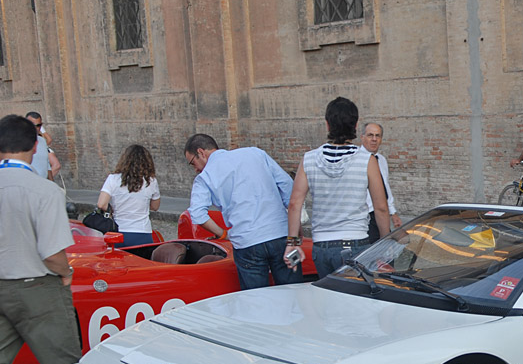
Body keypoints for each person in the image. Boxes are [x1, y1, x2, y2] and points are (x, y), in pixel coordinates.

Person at [0, 114, 111, 364]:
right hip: (38, 289)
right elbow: (52, 253)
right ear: (35, 147)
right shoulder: (44, 191)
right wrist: (65, 275)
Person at [284, 98, 390, 279]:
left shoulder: (309, 159)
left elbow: (295, 203)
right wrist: (386, 246)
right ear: (355, 125)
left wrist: (293, 243)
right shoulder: (367, 160)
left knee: (330, 301)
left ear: (327, 125)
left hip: (322, 248)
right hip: (356, 243)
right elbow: (380, 207)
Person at [184, 133, 302, 290]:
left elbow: (197, 215)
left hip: (247, 244)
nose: (196, 169)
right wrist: (296, 230)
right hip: (281, 235)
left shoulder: (204, 177)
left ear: (201, 153)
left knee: (255, 301)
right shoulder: (255, 153)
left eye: (193, 163)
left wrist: (223, 234)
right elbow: (287, 187)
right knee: (294, 292)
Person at [97, 144, 161, 247]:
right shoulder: (151, 181)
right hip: (143, 233)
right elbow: (155, 206)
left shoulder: (113, 179)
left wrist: (111, 208)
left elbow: (101, 204)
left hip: (119, 232)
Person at [361, 122, 401, 242]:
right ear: (362, 137)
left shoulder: (381, 160)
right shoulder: (357, 160)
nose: (374, 139)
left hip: (381, 215)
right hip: (365, 216)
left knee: (386, 253)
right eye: (370, 135)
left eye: (377, 136)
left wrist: (393, 213)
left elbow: (385, 187)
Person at [25, 111, 57, 180]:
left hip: (42, 184)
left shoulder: (42, 141)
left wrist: (51, 183)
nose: (36, 128)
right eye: (32, 125)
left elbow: (47, 165)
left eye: (38, 125)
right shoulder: (19, 142)